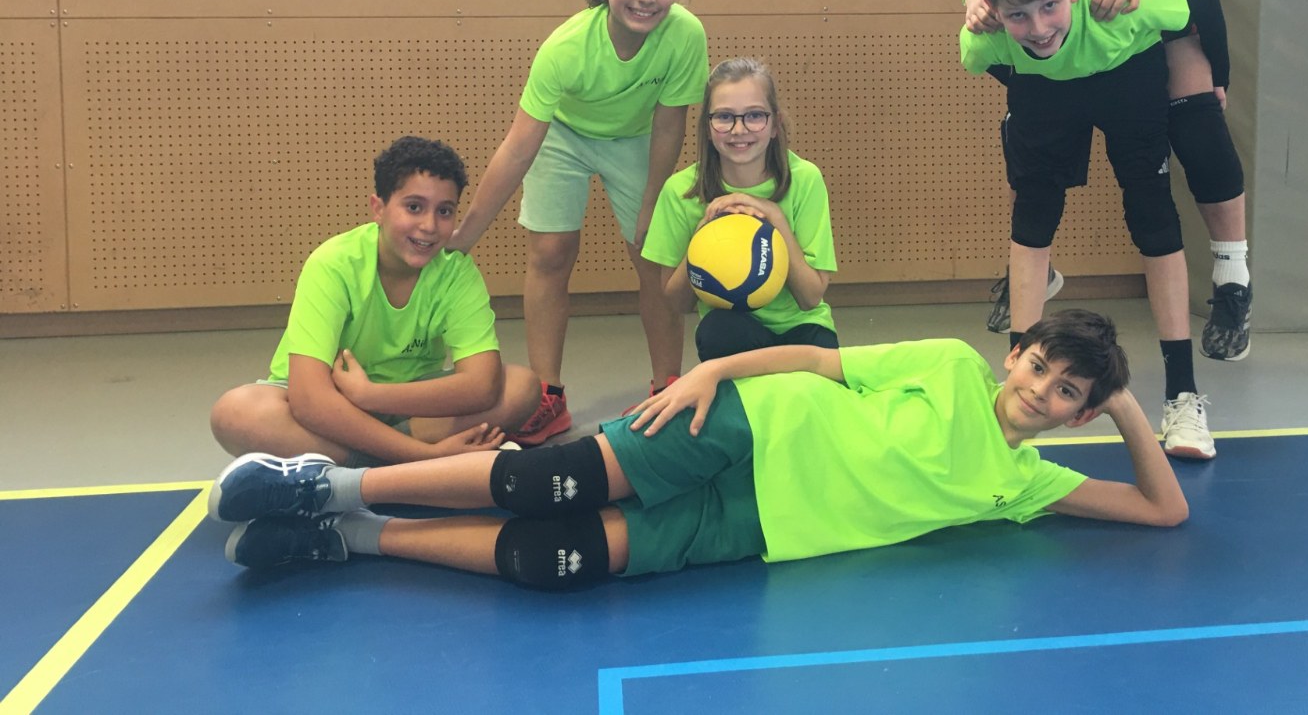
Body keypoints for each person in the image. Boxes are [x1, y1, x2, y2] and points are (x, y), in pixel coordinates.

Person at [207, 309, 1188, 587]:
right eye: (1040, 366)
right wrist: (712, 372)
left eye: (1068, 392)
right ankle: (330, 483)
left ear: (1077, 414)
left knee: (561, 559)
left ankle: (350, 539)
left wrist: (1126, 407)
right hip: (747, 423)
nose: (1042, 389)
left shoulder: (1024, 481)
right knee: (548, 478)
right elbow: (817, 358)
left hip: (759, 526)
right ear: (1015, 353)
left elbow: (1161, 509)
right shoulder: (945, 362)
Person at [945, 0, 1251, 362]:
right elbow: (994, 19)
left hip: (1139, 27)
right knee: (1031, 153)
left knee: (1198, 128)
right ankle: (1035, 269)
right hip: (1064, 48)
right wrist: (976, 7)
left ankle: (1233, 275)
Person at [962, 0, 1229, 459]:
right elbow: (988, 62)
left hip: (1129, 78)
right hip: (1045, 93)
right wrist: (1040, 84)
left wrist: (1218, 78)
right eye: (1018, 15)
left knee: (1153, 218)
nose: (1039, 26)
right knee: (1033, 219)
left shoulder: (1125, 5)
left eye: (1050, 6)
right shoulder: (982, 39)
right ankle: (1014, 387)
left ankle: (1182, 395)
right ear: (995, 11)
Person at [446, 0, 709, 446]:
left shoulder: (685, 35)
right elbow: (519, 147)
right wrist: (465, 235)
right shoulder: (566, 48)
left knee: (654, 257)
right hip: (562, 136)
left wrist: (651, 205)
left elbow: (669, 125)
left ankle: (667, 387)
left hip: (636, 138)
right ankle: (548, 396)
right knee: (550, 254)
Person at [209, 137, 541, 466]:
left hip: (407, 404)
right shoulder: (334, 263)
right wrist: (427, 455)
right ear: (378, 209)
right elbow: (309, 399)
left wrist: (371, 395)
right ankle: (402, 462)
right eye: (414, 207)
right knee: (236, 413)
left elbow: (482, 386)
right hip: (331, 403)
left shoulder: (456, 271)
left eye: (444, 211)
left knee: (521, 387)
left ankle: (362, 463)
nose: (429, 226)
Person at [642, 57, 838, 362]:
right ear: (707, 127)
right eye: (724, 117)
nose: (739, 129)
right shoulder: (680, 191)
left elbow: (810, 298)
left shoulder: (805, 179)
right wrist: (702, 236)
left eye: (755, 115)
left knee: (815, 365)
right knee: (716, 331)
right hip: (733, 329)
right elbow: (677, 303)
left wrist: (774, 217)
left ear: (775, 125)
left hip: (801, 328)